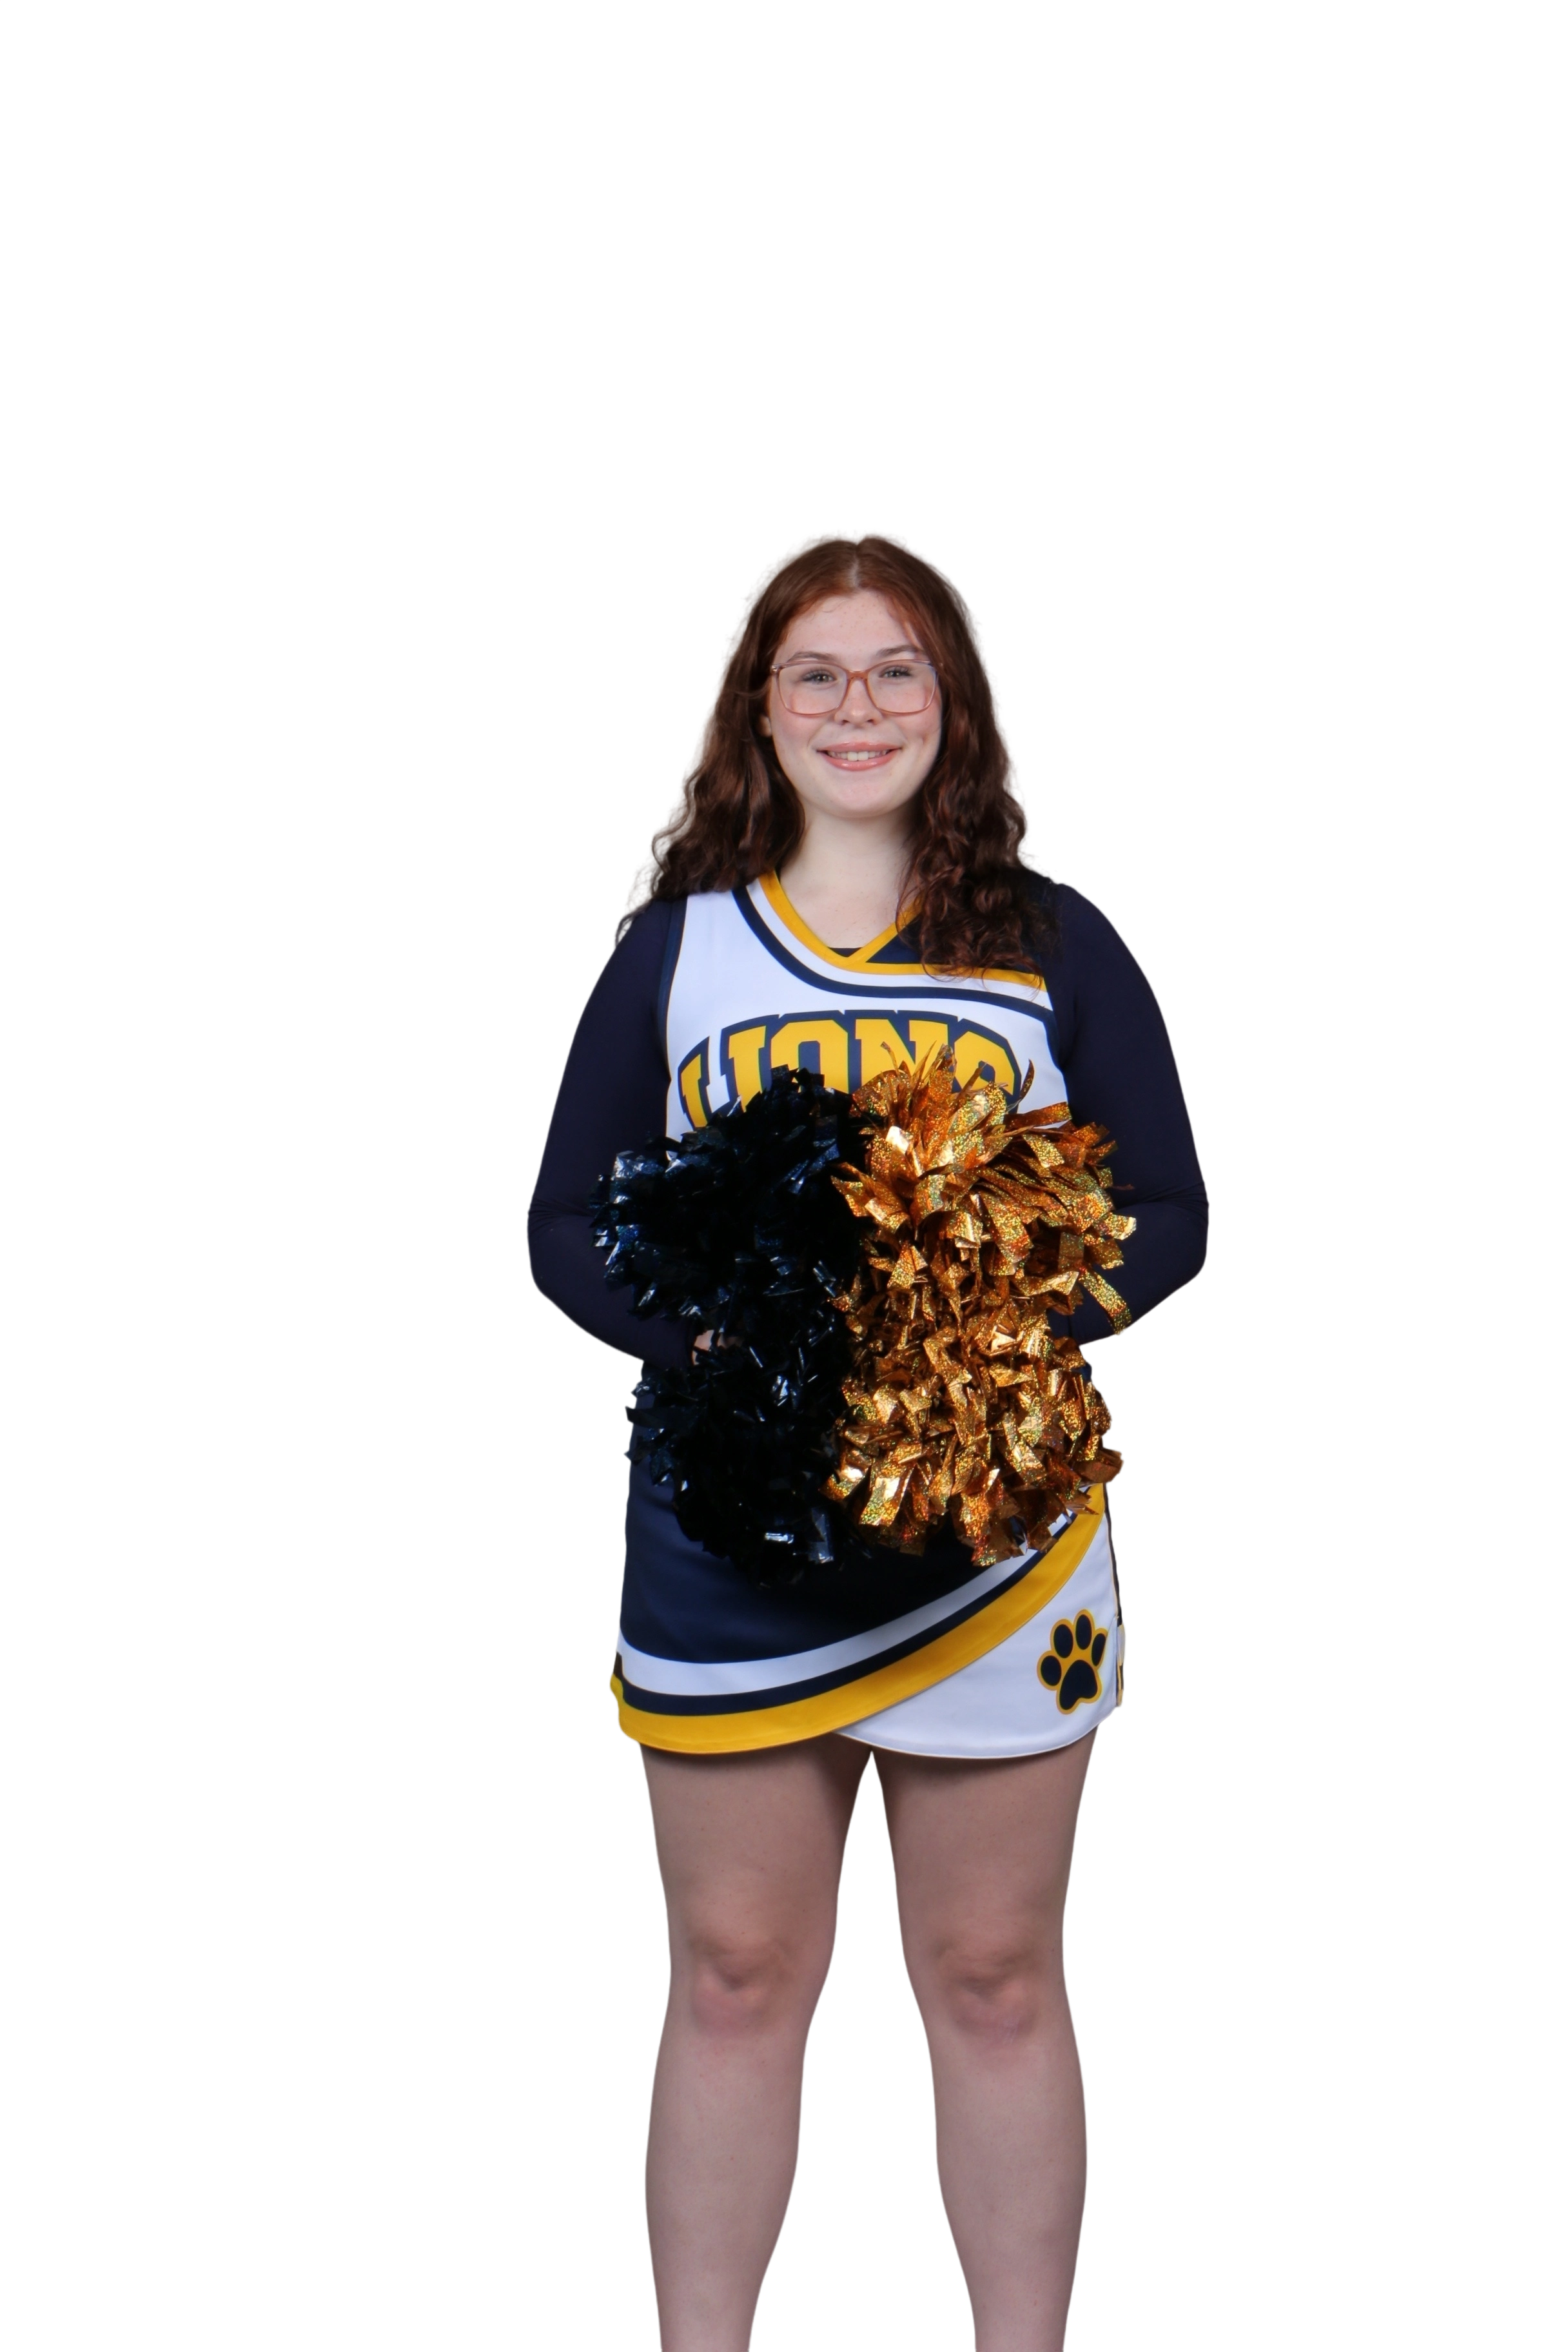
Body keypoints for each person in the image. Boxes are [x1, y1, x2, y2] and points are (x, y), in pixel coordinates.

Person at [526, 526, 1210, 2352]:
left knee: (993, 1977)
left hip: (996, 1551)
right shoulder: (678, 949)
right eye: (816, 673)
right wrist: (720, 1348)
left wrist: (991, 1343)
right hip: (728, 1551)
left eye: (899, 669)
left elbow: (1171, 1211)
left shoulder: (1055, 942)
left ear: (956, 702)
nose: (859, 708)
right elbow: (564, 1225)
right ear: (756, 708)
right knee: (737, 1974)